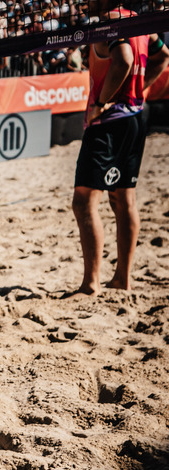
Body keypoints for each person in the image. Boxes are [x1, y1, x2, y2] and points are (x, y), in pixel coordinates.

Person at [69, 4, 169, 297]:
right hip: (136, 116)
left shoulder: (109, 21)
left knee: (84, 202)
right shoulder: (138, 22)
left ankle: (91, 284)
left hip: (109, 123)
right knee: (124, 199)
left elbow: (123, 60)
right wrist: (141, 90)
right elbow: (163, 57)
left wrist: (101, 102)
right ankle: (122, 279)